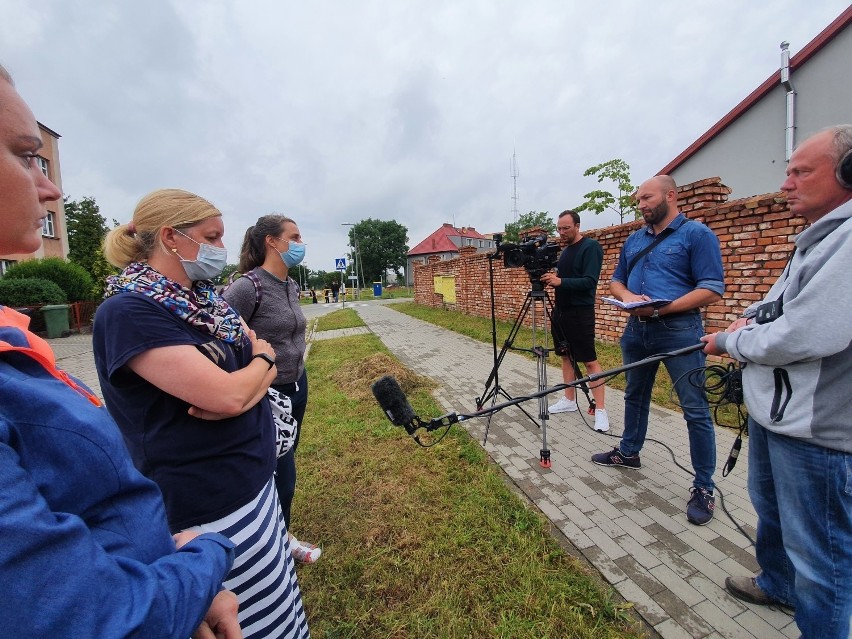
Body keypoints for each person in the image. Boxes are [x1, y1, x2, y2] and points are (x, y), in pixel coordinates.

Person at [0, 64, 241, 638]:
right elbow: (89, 615)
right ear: (169, 237)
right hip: (199, 522)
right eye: (23, 154)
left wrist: (168, 568)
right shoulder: (129, 311)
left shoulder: (13, 337)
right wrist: (204, 560)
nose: (51, 186)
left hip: (174, 566)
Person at [94, 189, 309, 638]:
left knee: (284, 615)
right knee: (251, 624)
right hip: (208, 508)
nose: (220, 249)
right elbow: (232, 394)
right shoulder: (129, 311)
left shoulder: (205, 301)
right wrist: (261, 367)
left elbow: (236, 387)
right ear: (171, 237)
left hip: (255, 487)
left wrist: (246, 383)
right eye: (211, 237)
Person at [702, 125, 852, 639]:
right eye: (786, 172)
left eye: (800, 171)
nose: (786, 183)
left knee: (822, 561)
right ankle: (776, 584)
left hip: (819, 433)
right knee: (771, 511)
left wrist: (730, 342)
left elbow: (805, 332)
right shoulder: (817, 239)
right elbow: (776, 308)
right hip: (776, 415)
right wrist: (748, 321)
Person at [591, 175, 724, 526]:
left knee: (694, 409)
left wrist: (665, 308)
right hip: (637, 330)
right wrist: (628, 298)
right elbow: (616, 280)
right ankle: (629, 453)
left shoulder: (697, 235)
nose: (641, 205)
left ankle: (704, 487)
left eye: (646, 198)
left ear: (670, 195)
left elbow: (712, 288)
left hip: (679, 331)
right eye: (638, 200)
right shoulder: (634, 239)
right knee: (635, 395)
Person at [223, 215, 321, 564]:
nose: (300, 243)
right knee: (281, 474)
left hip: (297, 386)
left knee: (286, 459)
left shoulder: (291, 285)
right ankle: (277, 546)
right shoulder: (248, 287)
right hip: (267, 393)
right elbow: (220, 339)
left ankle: (276, 538)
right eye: (294, 236)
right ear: (272, 242)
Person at [540, 210, 609, 432]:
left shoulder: (591, 248)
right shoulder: (565, 252)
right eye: (559, 228)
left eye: (566, 228)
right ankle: (569, 399)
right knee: (566, 356)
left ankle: (600, 410)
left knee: (589, 360)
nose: (561, 232)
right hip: (560, 311)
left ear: (577, 226)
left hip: (581, 312)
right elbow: (563, 279)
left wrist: (560, 282)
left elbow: (589, 282)